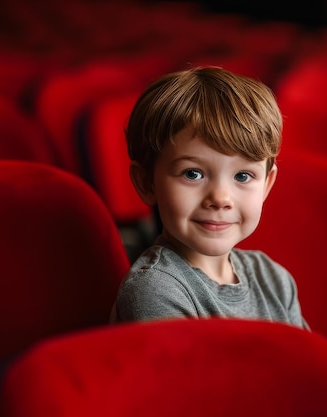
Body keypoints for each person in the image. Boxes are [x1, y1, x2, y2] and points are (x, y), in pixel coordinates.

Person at [111, 66, 308, 329]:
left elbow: (309, 367)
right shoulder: (156, 289)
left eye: (242, 176)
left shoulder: (274, 279)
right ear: (146, 182)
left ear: (266, 185)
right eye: (192, 174)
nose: (220, 198)